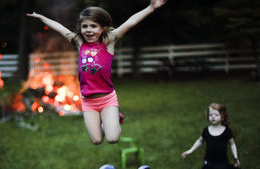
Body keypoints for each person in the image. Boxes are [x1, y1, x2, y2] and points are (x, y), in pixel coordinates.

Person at [27, 0, 167, 145]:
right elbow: (60, 28)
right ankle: (107, 122)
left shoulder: (108, 41)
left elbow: (130, 22)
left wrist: (151, 8)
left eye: (93, 26)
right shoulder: (79, 42)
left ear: (103, 28)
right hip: (88, 101)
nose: (88, 30)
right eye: (85, 26)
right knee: (96, 140)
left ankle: (114, 118)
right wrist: (42, 18)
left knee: (112, 138)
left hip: (107, 99)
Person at [181, 103, 240, 169]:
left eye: (216, 115)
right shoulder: (206, 130)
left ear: (222, 117)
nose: (212, 117)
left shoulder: (226, 131)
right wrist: (190, 150)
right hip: (209, 162)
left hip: (222, 162)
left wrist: (236, 157)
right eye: (210, 115)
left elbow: (232, 144)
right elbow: (200, 141)